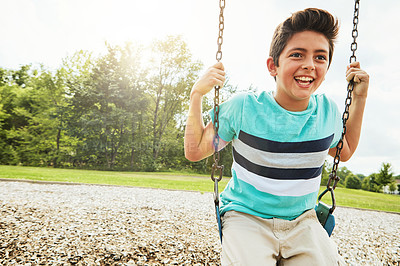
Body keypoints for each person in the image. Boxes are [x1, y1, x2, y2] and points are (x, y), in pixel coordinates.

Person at [184, 8, 369, 265]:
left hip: (303, 220)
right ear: (273, 65)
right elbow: (195, 151)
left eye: (320, 57)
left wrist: (359, 98)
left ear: (326, 67)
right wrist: (196, 95)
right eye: (297, 55)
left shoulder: (327, 112)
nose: (309, 65)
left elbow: (344, 150)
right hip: (246, 216)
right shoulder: (244, 108)